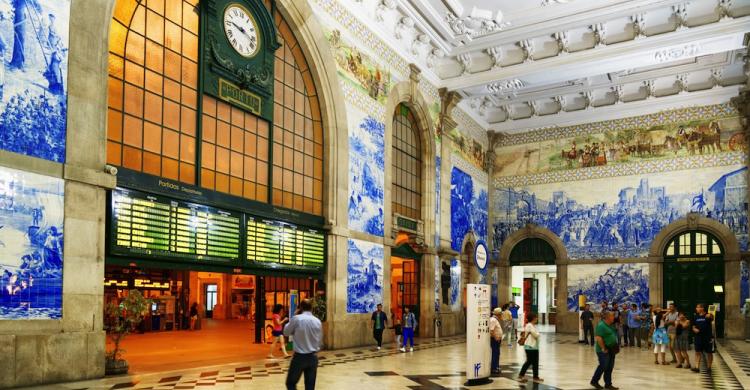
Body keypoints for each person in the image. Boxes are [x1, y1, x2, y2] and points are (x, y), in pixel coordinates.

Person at [284, 299, 322, 390]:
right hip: (313, 357)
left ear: (300, 308)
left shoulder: (297, 319)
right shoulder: (317, 321)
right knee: (310, 386)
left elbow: (286, 332)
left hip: (299, 357)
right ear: (311, 308)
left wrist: (294, 315)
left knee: (290, 383)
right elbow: (320, 341)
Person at [590, 311, 618, 390]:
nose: (614, 317)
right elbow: (599, 338)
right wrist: (603, 348)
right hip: (603, 350)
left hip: (611, 349)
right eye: (612, 316)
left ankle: (608, 384)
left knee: (609, 367)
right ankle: (594, 381)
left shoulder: (610, 325)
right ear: (607, 317)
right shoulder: (601, 325)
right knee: (603, 366)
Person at [517, 313, 543, 384]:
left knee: (535, 362)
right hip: (529, 346)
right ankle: (521, 375)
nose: (537, 319)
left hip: (534, 346)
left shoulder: (532, 325)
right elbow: (536, 335)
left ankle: (536, 376)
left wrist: (537, 333)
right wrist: (538, 334)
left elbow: (535, 334)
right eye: (536, 317)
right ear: (533, 318)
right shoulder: (529, 325)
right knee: (529, 362)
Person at [692, 303, 714, 373]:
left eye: (697, 307)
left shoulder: (707, 315)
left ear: (702, 308)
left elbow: (712, 317)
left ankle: (709, 367)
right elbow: (693, 326)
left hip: (707, 337)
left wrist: (711, 316)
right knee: (697, 352)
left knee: (709, 352)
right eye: (696, 307)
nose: (696, 309)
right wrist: (694, 329)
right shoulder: (696, 316)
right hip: (698, 337)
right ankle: (697, 367)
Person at [489, 308, 504, 376]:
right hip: (495, 340)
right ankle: (494, 368)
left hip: (497, 339)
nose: (502, 315)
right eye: (501, 314)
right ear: (498, 314)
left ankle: (496, 367)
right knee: (495, 353)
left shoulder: (495, 320)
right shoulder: (493, 320)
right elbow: (491, 331)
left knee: (497, 353)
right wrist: (495, 337)